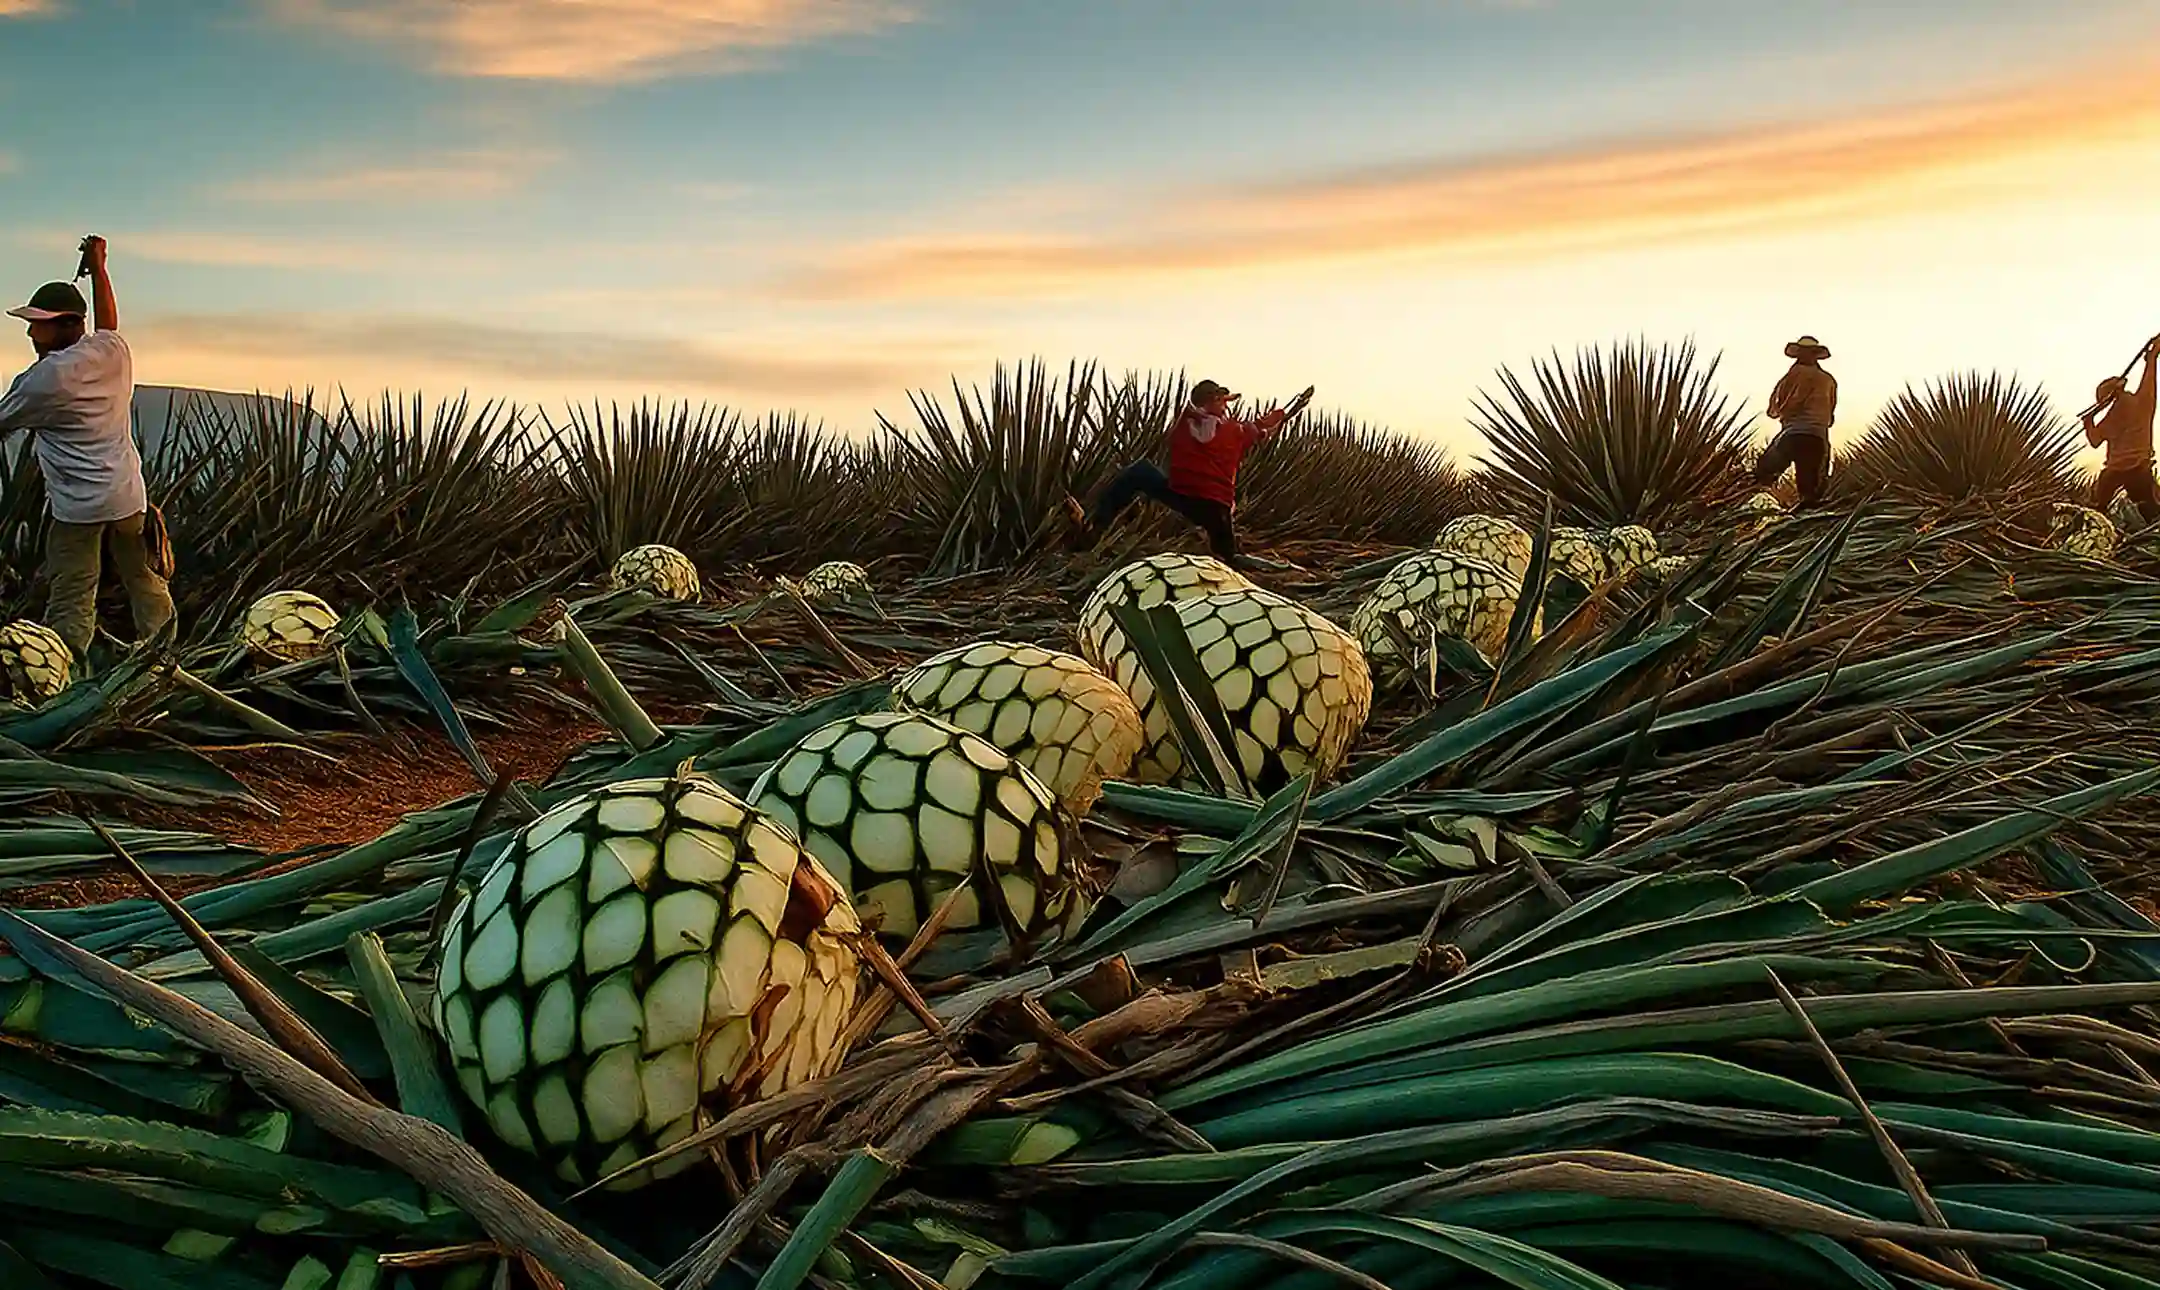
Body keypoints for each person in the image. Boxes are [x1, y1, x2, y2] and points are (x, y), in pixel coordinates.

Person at [0, 236, 173, 662]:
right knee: (143, 577)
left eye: (37, 323)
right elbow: (109, 322)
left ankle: (67, 666)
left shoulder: (42, 381)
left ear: (64, 325)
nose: (29, 331)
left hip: (77, 508)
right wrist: (99, 266)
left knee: (74, 589)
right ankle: (164, 654)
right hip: (127, 496)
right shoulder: (112, 352)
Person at [1062, 378, 1304, 569]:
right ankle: (1244, 559)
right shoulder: (1233, 430)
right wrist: (1277, 419)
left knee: (1139, 472)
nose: (1226, 406)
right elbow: (1256, 429)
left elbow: (1247, 430)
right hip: (1212, 507)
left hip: (1187, 498)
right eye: (1223, 401)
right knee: (1229, 555)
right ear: (1214, 400)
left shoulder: (1187, 424)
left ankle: (1095, 527)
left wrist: (1274, 420)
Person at [2083, 334, 2160, 524]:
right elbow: (2150, 376)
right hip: (2140, 470)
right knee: (2153, 514)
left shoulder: (2114, 415)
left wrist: (2089, 421)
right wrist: (2152, 357)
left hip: (2115, 473)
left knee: (2098, 513)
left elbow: (2094, 441)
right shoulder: (2143, 401)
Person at [1753, 335, 1838, 507]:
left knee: (1762, 476)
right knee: (1810, 491)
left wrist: (1781, 412)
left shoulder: (1794, 374)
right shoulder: (1829, 380)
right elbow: (1831, 416)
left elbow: (1776, 408)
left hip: (1792, 434)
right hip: (1818, 437)